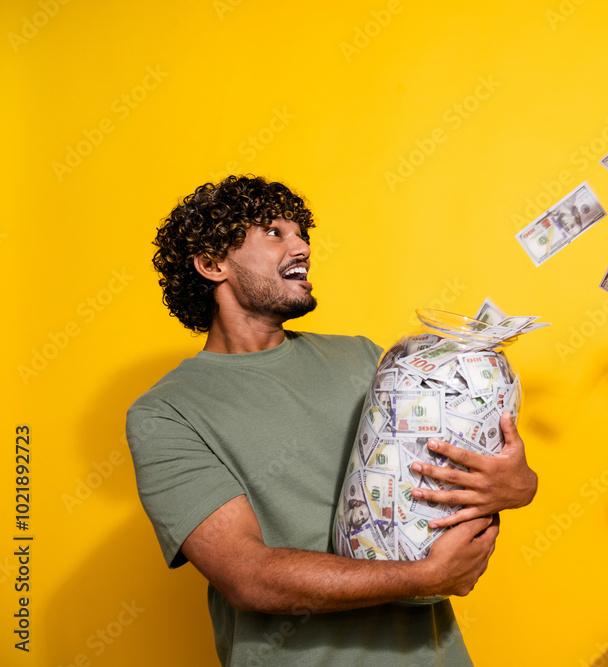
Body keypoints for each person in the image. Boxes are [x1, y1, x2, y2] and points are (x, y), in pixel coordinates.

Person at [126, 175, 538, 666]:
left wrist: (518, 486)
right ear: (213, 264)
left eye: (302, 234)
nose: (301, 246)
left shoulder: (366, 359)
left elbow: (447, 486)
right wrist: (424, 578)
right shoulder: (167, 412)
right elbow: (247, 575)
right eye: (275, 233)